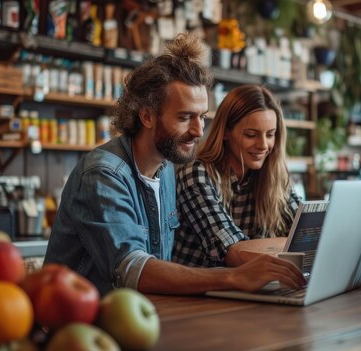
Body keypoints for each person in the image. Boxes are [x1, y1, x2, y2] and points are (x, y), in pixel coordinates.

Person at [44, 34, 305, 296]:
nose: (199, 131)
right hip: (82, 326)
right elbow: (133, 270)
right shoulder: (103, 174)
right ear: (146, 115)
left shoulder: (165, 168)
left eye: (202, 117)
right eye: (185, 117)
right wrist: (234, 276)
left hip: (138, 318)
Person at [174, 85, 301, 268]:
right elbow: (231, 251)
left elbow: (307, 231)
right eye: (251, 135)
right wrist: (295, 242)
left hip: (250, 291)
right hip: (196, 293)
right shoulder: (196, 175)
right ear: (225, 131)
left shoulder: (274, 177)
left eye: (270, 135)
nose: (263, 145)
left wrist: (306, 239)